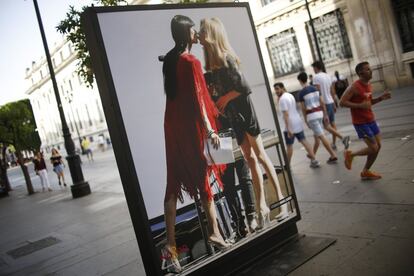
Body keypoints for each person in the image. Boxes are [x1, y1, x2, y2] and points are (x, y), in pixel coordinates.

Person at [199, 17, 289, 230]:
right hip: (235, 119)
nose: (200, 37)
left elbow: (244, 87)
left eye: (202, 32)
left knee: (260, 157)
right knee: (250, 159)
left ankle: (280, 203)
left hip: (246, 116)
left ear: (211, 34)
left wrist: (223, 99)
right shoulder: (213, 66)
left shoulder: (226, 58)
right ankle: (261, 208)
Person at [162, 15, 230, 273]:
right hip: (190, 126)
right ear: (186, 33)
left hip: (171, 126)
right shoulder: (190, 61)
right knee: (202, 179)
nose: (196, 33)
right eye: (193, 30)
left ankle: (170, 248)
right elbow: (200, 99)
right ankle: (214, 232)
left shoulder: (170, 60)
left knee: (173, 182)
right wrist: (210, 129)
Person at [205, 72, 258, 237]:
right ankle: (239, 223)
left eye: (212, 84)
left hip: (235, 136)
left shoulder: (225, 95)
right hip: (220, 143)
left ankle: (251, 217)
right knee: (228, 186)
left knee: (244, 179)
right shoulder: (207, 101)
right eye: (208, 85)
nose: (211, 87)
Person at [339, 62, 391, 180]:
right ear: (361, 73)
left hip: (371, 119)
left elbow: (368, 103)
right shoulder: (354, 87)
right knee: (373, 148)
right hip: (360, 122)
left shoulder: (368, 85)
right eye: (368, 69)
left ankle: (365, 171)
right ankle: (350, 155)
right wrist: (360, 106)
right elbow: (341, 103)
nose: (371, 71)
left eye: (370, 68)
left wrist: (381, 98)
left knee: (378, 146)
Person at [273, 82, 320, 168]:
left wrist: (289, 129)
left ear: (282, 88)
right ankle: (314, 160)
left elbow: (286, 115)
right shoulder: (289, 95)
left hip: (290, 125)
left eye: (277, 88)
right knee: (304, 141)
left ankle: (287, 165)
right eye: (275, 89)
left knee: (289, 146)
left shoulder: (282, 99)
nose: (276, 91)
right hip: (297, 122)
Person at [297, 72, 338, 164]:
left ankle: (333, 155)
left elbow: (303, 109)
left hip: (312, 116)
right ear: (307, 78)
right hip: (320, 114)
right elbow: (322, 102)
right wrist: (325, 114)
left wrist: (306, 120)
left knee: (321, 136)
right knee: (317, 137)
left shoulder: (301, 93)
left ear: (300, 81)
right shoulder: (315, 89)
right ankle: (312, 157)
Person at [312, 61, 350, 150]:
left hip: (323, 104)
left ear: (316, 67)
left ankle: (343, 138)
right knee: (332, 123)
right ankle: (333, 143)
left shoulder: (316, 77)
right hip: (330, 102)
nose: (313, 70)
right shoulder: (328, 76)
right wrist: (334, 103)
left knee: (326, 126)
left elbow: (318, 92)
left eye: (313, 68)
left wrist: (319, 105)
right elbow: (332, 90)